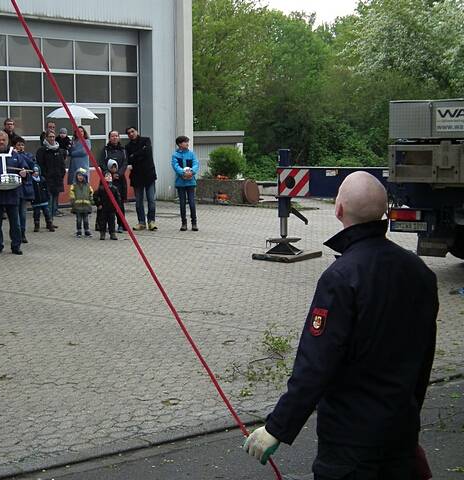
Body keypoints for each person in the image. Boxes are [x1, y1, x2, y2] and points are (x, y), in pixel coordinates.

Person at [243, 171, 439, 480]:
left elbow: (316, 364)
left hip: (350, 443)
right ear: (385, 212)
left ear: (338, 210)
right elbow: (424, 358)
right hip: (400, 434)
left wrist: (277, 427)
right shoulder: (420, 273)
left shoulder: (341, 278)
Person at [125, 126, 157, 231]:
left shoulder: (146, 140)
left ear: (137, 131)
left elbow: (147, 152)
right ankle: (141, 222)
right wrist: (138, 154)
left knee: (151, 200)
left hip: (149, 175)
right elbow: (129, 160)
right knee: (139, 201)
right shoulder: (128, 146)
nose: (131, 134)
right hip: (136, 176)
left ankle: (151, 221)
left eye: (132, 131)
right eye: (129, 133)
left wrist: (135, 155)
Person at [36, 130, 67, 226]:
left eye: (53, 136)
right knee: (49, 200)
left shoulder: (59, 150)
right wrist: (45, 175)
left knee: (54, 202)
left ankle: (51, 220)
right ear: (46, 138)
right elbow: (40, 164)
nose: (52, 138)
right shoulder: (42, 150)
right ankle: (48, 221)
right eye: (50, 137)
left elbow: (62, 164)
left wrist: (62, 174)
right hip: (47, 179)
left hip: (57, 179)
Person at [171, 135, 199, 231]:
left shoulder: (192, 154)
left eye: (187, 142)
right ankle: (184, 223)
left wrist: (191, 172)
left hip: (191, 182)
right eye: (185, 142)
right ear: (179, 144)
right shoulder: (175, 155)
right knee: (182, 203)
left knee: (192, 203)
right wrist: (183, 173)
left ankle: (194, 223)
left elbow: (196, 164)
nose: (187, 144)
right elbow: (175, 166)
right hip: (180, 183)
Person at [102, 131, 128, 232]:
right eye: (112, 136)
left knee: (120, 203)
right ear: (109, 138)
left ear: (119, 138)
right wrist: (107, 173)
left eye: (116, 136)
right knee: (107, 203)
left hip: (120, 180)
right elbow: (102, 163)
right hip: (108, 180)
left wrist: (119, 173)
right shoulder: (105, 150)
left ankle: (121, 224)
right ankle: (106, 224)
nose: (114, 138)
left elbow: (125, 163)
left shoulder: (123, 150)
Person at [12, 136, 35, 243]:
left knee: (23, 213)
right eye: (18, 145)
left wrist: (20, 155)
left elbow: (31, 165)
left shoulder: (28, 155)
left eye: (22, 145)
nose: (21, 147)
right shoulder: (11, 155)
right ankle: (15, 233)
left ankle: (22, 233)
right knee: (14, 213)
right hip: (15, 188)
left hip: (25, 188)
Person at [93, 169, 120, 241]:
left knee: (112, 221)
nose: (108, 177)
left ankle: (112, 233)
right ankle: (102, 233)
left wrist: (117, 206)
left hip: (111, 208)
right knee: (103, 221)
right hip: (103, 208)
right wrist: (98, 204)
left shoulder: (114, 188)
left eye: (110, 176)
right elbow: (95, 196)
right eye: (107, 176)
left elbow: (118, 198)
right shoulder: (101, 189)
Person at [30, 164, 55, 232]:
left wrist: (47, 196)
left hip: (44, 200)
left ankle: (49, 224)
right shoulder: (31, 181)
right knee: (36, 214)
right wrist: (31, 198)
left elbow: (46, 189)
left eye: (37, 171)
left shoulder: (42, 179)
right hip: (36, 200)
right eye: (34, 172)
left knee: (47, 212)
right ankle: (36, 225)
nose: (36, 173)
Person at [69, 168, 93, 238]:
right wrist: (73, 202)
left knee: (86, 219)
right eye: (79, 175)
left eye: (82, 175)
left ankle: (87, 230)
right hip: (77, 206)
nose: (80, 177)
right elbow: (71, 194)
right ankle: (79, 230)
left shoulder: (88, 185)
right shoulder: (74, 185)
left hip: (86, 205)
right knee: (78, 220)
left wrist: (92, 201)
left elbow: (91, 193)